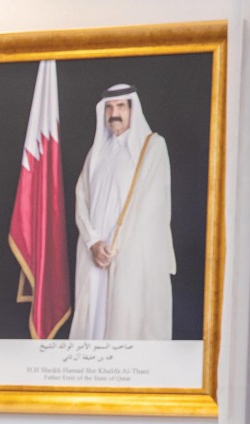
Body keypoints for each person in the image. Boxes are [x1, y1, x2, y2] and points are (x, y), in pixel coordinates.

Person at [71, 84, 175, 340]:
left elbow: (152, 208)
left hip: (130, 257)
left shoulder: (152, 148)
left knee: (127, 326)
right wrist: (93, 241)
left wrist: (115, 247)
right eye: (108, 107)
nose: (113, 113)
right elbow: (80, 199)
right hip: (95, 253)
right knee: (92, 325)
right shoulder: (96, 153)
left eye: (120, 106)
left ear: (132, 110)